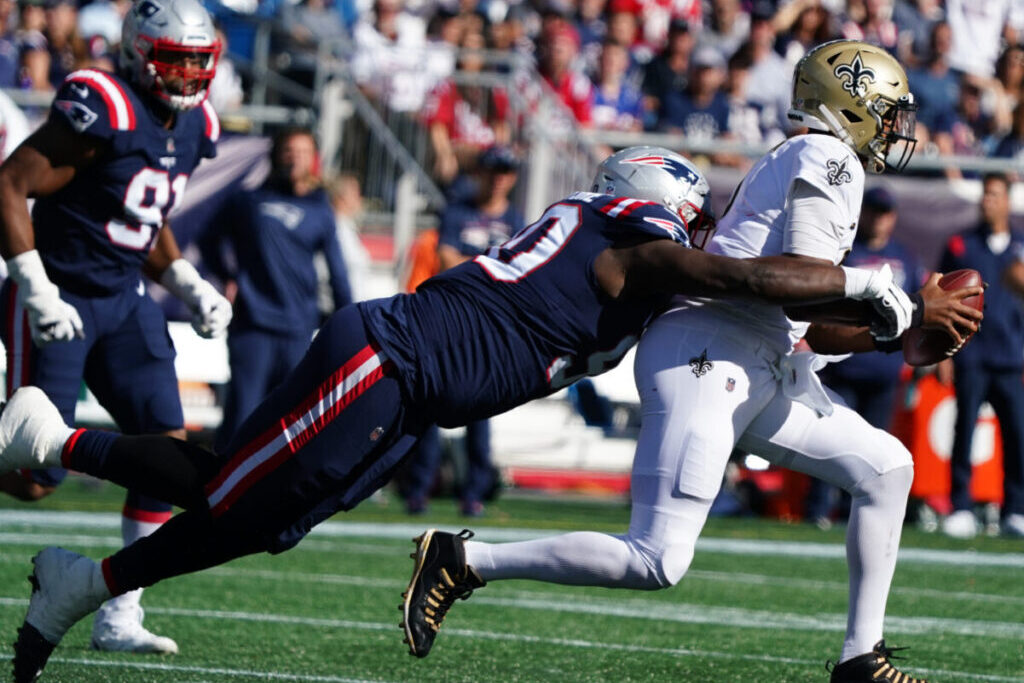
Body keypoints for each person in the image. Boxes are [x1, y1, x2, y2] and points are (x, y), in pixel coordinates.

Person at [0, 145, 980, 682]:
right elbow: (739, 270)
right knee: (231, 486)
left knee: (270, 520)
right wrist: (876, 283)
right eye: (688, 214)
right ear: (651, 206)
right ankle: (54, 436)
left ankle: (86, 580)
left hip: (414, 391)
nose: (696, 227)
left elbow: (767, 305)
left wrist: (894, 327)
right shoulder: (628, 237)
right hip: (385, 357)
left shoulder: (620, 249)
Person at [401, 41, 945, 683]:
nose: (893, 127)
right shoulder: (827, 156)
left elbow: (815, 325)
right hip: (710, 354)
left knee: (885, 468)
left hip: (753, 357)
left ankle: (862, 659)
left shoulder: (810, 157)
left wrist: (899, 324)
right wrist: (880, 292)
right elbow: (805, 277)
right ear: (850, 102)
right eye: (886, 110)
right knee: (656, 558)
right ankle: (466, 561)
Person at [0, 0, 229, 656]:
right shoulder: (103, 103)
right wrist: (36, 287)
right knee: (34, 476)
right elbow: (10, 185)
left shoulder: (197, 125)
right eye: (174, 60)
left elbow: (141, 210)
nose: (187, 76)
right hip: (60, 295)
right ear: (139, 54)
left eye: (198, 62)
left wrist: (187, 283)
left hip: (126, 299)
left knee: (165, 451)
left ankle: (119, 613)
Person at [198, 127, 352, 453]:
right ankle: (218, 489)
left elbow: (337, 271)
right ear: (276, 156)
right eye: (288, 151)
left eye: (302, 152)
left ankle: (273, 495)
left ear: (314, 160)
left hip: (298, 329)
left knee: (291, 418)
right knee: (242, 413)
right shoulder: (248, 201)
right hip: (253, 325)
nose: (294, 158)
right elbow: (208, 238)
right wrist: (226, 275)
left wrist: (348, 320)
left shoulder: (320, 209)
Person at [402, 146, 523, 517]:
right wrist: (491, 265)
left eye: (505, 171)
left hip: (491, 328)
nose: (498, 178)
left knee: (479, 410)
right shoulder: (458, 210)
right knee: (429, 403)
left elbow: (519, 268)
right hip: (451, 320)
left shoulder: (516, 219)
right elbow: (446, 258)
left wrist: (474, 266)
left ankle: (473, 491)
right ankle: (420, 487)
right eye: (492, 170)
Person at [805, 187, 924, 528]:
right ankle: (816, 507)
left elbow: (917, 310)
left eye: (884, 212)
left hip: (884, 369)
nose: (878, 218)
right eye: (873, 211)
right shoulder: (845, 253)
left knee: (871, 447)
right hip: (842, 363)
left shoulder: (905, 257)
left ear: (894, 217)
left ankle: (849, 510)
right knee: (828, 441)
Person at [939, 173, 1024, 540]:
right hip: (971, 355)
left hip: (1010, 357)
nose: (988, 201)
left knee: (1018, 435)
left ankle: (1016, 509)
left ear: (1007, 201)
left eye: (995, 195)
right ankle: (960, 506)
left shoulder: (1020, 248)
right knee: (964, 432)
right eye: (985, 194)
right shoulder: (961, 244)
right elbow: (940, 297)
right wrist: (943, 352)